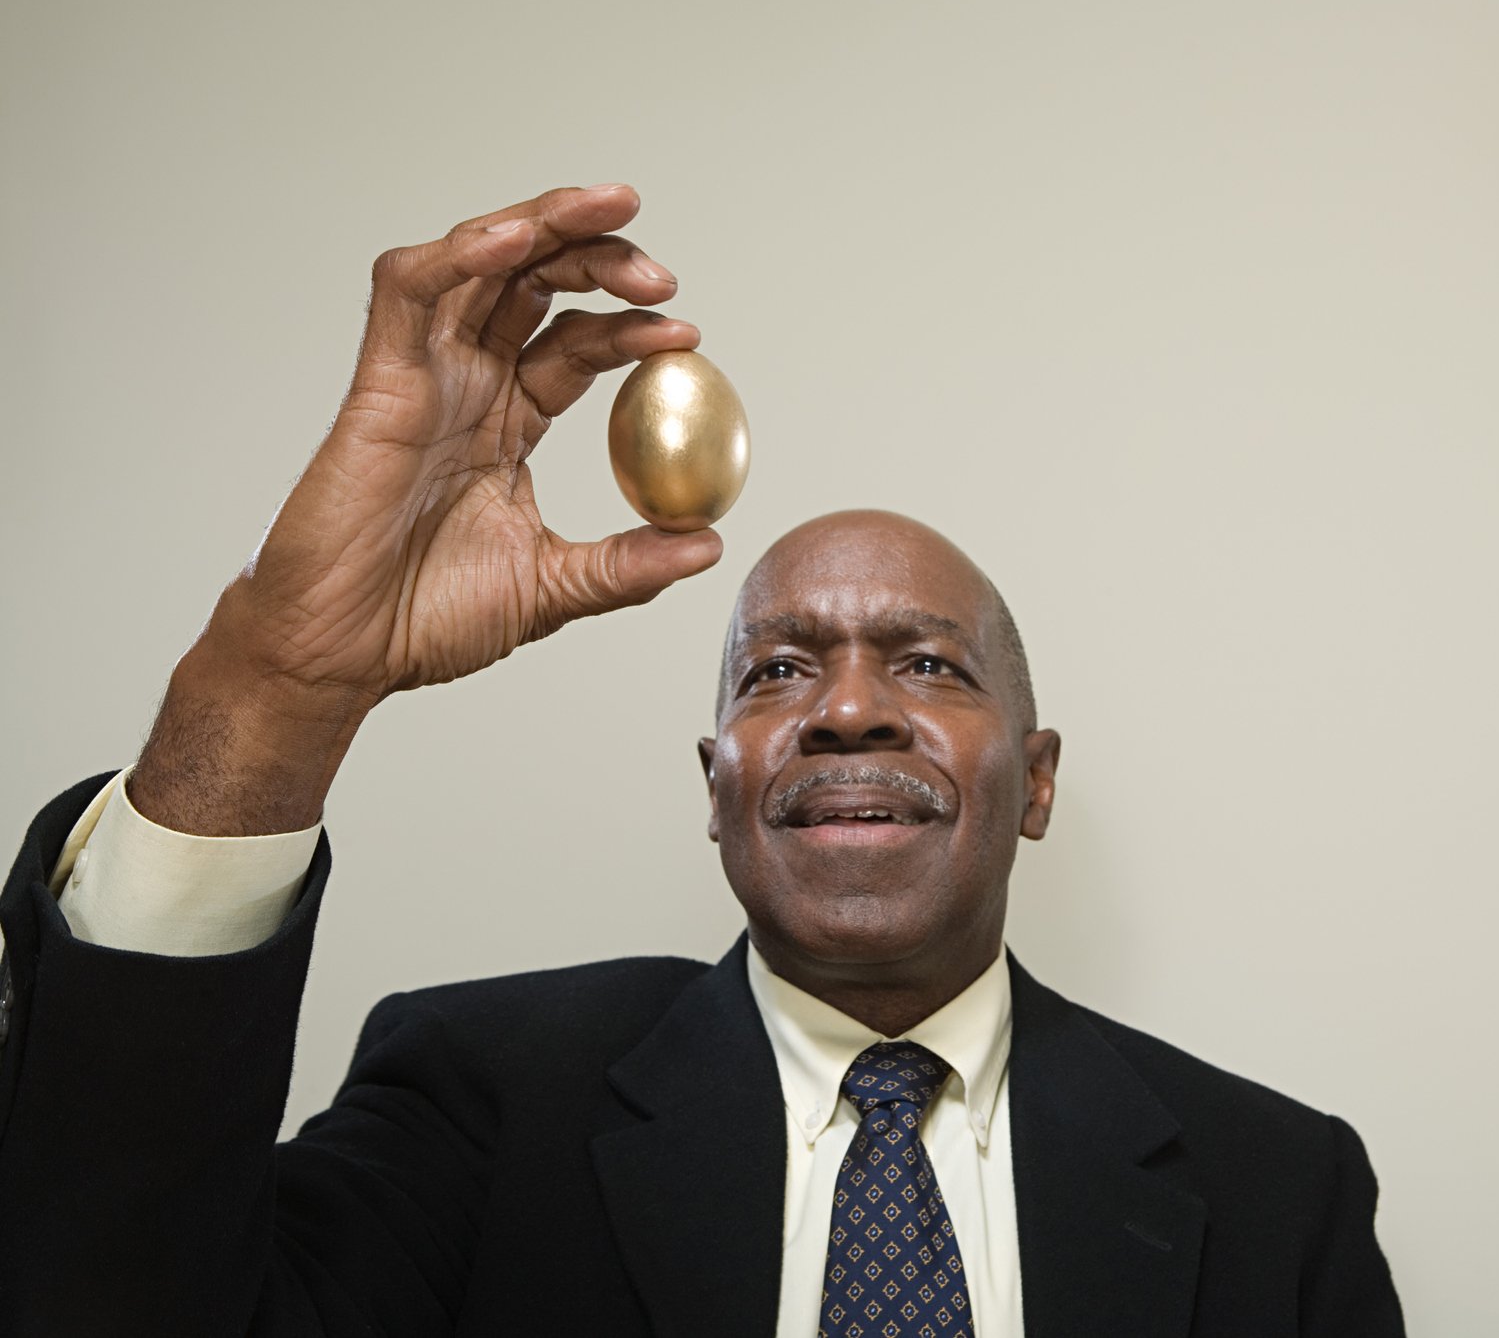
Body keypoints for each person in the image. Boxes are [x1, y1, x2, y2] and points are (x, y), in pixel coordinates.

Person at [0, 185, 1404, 1336]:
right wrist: (280, 680)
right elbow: (113, 1298)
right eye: (779, 668)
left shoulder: (1276, 1186)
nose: (846, 709)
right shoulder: (479, 1100)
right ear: (716, 783)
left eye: (926, 662)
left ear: (1032, 781)